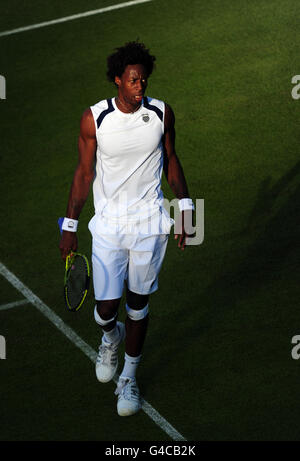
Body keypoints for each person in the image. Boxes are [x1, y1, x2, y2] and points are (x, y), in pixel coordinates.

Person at [59, 41, 194, 417]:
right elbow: (84, 173)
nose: (140, 86)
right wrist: (70, 226)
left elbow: (171, 159)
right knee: (105, 310)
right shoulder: (95, 119)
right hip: (108, 227)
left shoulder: (161, 113)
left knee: (138, 305)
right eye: (133, 80)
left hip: (150, 224)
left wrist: (185, 207)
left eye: (144, 80)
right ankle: (110, 336)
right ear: (118, 80)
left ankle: (129, 377)